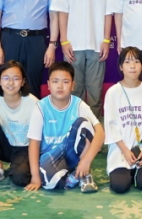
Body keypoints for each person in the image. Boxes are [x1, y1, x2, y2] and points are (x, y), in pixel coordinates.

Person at [26, 61, 105, 193]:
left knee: (84, 124)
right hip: (50, 155)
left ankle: (84, 174)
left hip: (71, 153)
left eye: (65, 82)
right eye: (55, 81)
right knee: (51, 184)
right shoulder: (41, 107)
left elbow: (100, 132)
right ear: (48, 85)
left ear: (73, 85)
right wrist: (35, 177)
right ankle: (72, 174)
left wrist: (86, 161)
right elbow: (34, 143)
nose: (60, 86)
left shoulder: (78, 104)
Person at [103, 47, 142, 194]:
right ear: (121, 67)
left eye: (137, 62)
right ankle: (126, 172)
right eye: (127, 62)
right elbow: (111, 125)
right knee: (119, 187)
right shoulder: (113, 92)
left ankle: (137, 172)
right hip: (120, 150)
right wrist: (125, 150)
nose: (132, 66)